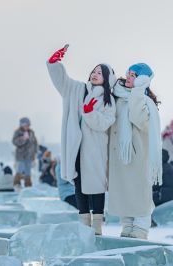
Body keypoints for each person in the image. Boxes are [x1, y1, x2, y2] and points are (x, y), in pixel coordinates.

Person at [47, 45, 116, 235]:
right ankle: (84, 223)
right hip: (75, 146)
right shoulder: (77, 89)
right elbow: (62, 82)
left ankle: (97, 225)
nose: (95, 74)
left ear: (107, 79)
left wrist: (90, 113)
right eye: (94, 71)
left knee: (96, 186)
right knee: (78, 183)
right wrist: (54, 64)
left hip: (94, 149)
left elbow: (104, 124)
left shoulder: (109, 101)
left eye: (100, 73)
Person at [108, 63, 162, 239]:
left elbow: (138, 118)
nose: (129, 77)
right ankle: (127, 228)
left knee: (139, 195)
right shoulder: (118, 96)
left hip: (138, 158)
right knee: (124, 194)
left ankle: (139, 231)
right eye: (129, 74)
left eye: (134, 75)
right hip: (120, 158)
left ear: (142, 79)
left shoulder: (146, 102)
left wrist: (139, 91)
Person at [12, 117, 38, 189]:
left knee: (28, 171)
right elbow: (14, 141)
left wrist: (35, 151)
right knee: (20, 169)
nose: (27, 127)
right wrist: (23, 139)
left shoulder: (31, 132)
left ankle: (28, 185)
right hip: (21, 155)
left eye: (28, 125)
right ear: (22, 125)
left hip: (29, 156)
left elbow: (35, 142)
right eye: (26, 125)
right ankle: (17, 183)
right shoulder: (18, 132)